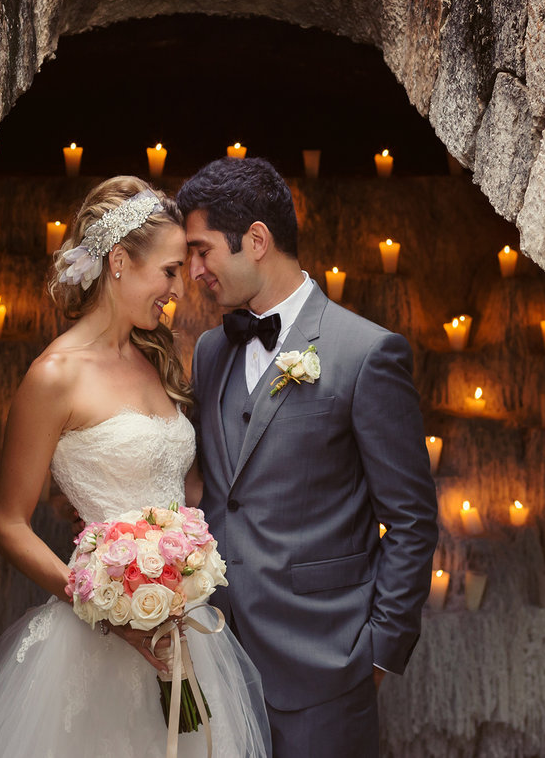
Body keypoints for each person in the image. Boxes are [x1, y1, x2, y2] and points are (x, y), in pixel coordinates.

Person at [0, 176, 270, 757]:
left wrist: (185, 569)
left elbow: (187, 489)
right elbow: (8, 522)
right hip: (94, 643)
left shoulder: (159, 360)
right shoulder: (54, 376)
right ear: (117, 262)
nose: (176, 290)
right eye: (167, 271)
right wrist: (107, 608)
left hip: (186, 633)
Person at [178, 157, 439, 758]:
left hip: (328, 667)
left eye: (201, 251)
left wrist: (379, 650)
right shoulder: (211, 350)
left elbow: (411, 518)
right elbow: (218, 495)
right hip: (217, 659)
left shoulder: (366, 353)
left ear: (258, 241)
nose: (193, 272)